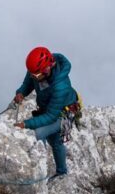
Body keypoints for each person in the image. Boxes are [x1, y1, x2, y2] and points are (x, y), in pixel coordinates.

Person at [13, 46, 78, 178]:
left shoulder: (60, 85)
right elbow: (28, 83)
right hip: (47, 108)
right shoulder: (36, 69)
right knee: (54, 140)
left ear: (47, 68)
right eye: (31, 73)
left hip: (63, 114)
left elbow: (51, 116)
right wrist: (21, 93)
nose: (33, 76)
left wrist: (26, 124)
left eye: (36, 75)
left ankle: (39, 174)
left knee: (38, 133)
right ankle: (61, 172)